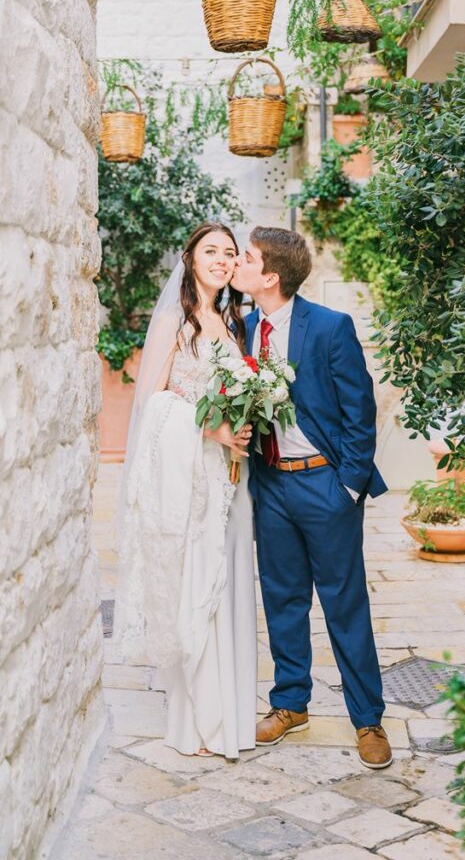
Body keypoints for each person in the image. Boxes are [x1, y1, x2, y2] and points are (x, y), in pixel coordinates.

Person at [231, 226, 393, 769]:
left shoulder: (329, 327)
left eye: (247, 258)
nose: (238, 262)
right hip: (270, 483)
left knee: (344, 604)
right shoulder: (242, 330)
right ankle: (289, 703)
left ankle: (368, 718)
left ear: (270, 277)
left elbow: (359, 411)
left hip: (325, 484)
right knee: (281, 596)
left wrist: (348, 485)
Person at [112, 221, 257, 759]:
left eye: (229, 252)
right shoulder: (177, 319)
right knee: (197, 586)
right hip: (190, 477)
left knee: (227, 587)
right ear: (191, 258)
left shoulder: (232, 323)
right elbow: (153, 403)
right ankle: (193, 720)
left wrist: (242, 427)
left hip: (229, 480)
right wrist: (211, 429)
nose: (222, 259)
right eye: (211, 251)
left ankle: (229, 716)